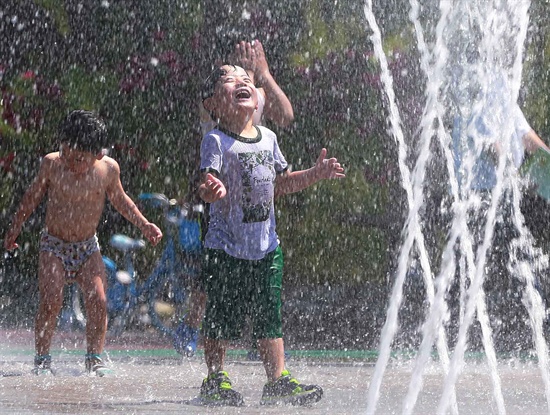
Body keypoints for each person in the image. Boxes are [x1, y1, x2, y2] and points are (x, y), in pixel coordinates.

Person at [196, 64, 344, 406]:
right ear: (214, 104)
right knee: (221, 314)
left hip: (266, 246)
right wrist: (211, 190)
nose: (241, 82)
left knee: (269, 315)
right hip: (226, 248)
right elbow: (205, 183)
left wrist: (315, 174)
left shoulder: (269, 137)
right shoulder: (216, 140)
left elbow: (282, 182)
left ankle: (277, 380)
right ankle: (216, 377)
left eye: (245, 79)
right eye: (229, 81)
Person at [3, 110, 163, 375]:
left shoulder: (108, 170)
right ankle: (42, 359)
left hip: (87, 247)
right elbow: (32, 197)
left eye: (78, 158)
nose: (70, 161)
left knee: (98, 300)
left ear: (97, 154)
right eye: (65, 152)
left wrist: (144, 224)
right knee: (51, 299)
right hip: (53, 245)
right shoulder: (52, 164)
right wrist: (15, 227)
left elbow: (122, 201)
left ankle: (94, 359)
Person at [174, 39, 294, 358]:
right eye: (235, 71)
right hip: (220, 187)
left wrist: (264, 75)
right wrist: (238, 77)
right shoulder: (218, 105)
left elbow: (286, 115)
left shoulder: (256, 96)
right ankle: (193, 328)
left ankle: (264, 342)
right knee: (216, 272)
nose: (242, 76)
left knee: (261, 270)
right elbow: (213, 103)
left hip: (257, 192)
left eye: (247, 69)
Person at [451, 71, 550, 350]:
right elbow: (489, 147)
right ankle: (462, 333)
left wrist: (546, 161)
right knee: (489, 264)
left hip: (506, 194)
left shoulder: (501, 84)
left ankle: (536, 324)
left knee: (521, 258)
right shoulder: (471, 86)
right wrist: (519, 175)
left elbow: (525, 134)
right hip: (479, 198)